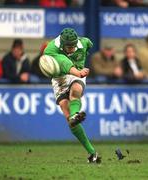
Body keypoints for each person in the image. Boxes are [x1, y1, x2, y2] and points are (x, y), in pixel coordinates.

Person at [43, 28, 101, 163]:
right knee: (66, 112)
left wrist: (79, 73)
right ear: (62, 44)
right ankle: (92, 153)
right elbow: (64, 63)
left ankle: (76, 115)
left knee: (76, 90)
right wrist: (78, 72)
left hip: (77, 74)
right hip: (59, 79)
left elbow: (89, 46)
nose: (72, 49)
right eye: (69, 47)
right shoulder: (50, 49)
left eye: (74, 46)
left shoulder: (85, 43)